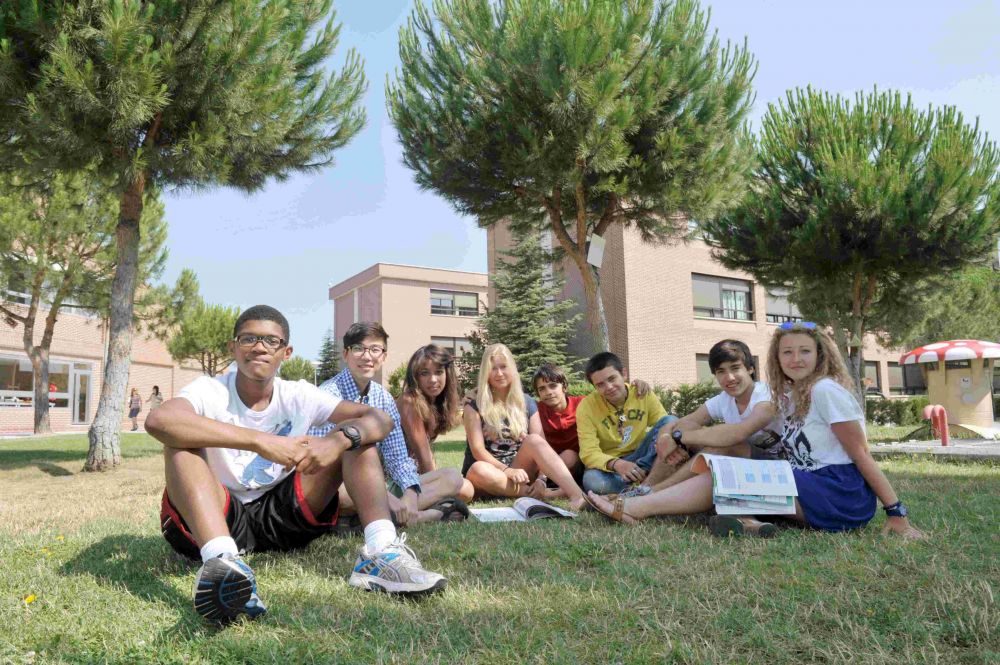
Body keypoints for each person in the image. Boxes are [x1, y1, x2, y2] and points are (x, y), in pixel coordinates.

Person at [145, 305, 446, 626]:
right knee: (179, 446)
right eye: (249, 339)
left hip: (284, 515)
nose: (259, 347)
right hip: (220, 514)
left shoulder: (299, 394)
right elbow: (160, 419)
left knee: (356, 435)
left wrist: (336, 441)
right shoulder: (210, 389)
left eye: (271, 341)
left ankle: (381, 553)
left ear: (286, 352)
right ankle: (223, 564)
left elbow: (380, 419)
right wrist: (260, 440)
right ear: (232, 348)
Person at [586, 322, 925, 541]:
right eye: (787, 353)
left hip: (840, 492)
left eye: (804, 351)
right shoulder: (792, 395)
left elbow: (861, 454)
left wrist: (897, 513)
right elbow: (693, 422)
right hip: (808, 484)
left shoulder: (825, 391)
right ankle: (738, 518)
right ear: (776, 360)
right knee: (724, 471)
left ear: (820, 354)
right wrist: (672, 431)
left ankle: (636, 508)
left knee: (724, 472)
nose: (795, 359)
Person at [309, 324, 467, 526]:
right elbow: (320, 468)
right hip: (338, 487)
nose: (367, 357)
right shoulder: (327, 395)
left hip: (379, 484)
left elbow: (399, 458)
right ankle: (415, 516)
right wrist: (384, 496)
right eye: (359, 348)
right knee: (343, 494)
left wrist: (410, 494)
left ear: (383, 357)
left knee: (452, 478)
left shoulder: (383, 398)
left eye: (375, 350)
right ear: (346, 354)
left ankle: (370, 518)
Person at [460, 343, 587, 511]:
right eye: (493, 368)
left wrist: (541, 479)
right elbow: (477, 450)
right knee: (478, 469)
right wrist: (506, 471)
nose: (499, 373)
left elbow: (540, 445)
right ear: (485, 372)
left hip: (521, 470)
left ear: (512, 368)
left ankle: (578, 496)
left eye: (503, 367)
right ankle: (538, 494)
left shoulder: (526, 401)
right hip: (490, 474)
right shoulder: (474, 404)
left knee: (533, 440)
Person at [647, 339, 782, 494]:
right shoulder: (724, 399)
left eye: (735, 368)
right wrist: (665, 437)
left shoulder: (766, 394)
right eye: (721, 371)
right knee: (685, 427)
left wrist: (679, 438)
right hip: (746, 463)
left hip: (781, 466)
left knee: (725, 445)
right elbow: (683, 422)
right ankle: (645, 486)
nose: (729, 377)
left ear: (750, 369)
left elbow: (738, 433)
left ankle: (656, 491)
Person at [575, 352, 677, 495]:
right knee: (593, 482)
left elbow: (664, 427)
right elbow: (588, 452)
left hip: (642, 456)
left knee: (671, 421)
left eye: (612, 378)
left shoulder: (642, 392)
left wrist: (646, 461)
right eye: (600, 385)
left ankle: (643, 477)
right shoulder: (586, 407)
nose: (609, 387)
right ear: (595, 388)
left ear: (623, 374)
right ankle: (647, 483)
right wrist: (618, 464)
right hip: (612, 466)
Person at [397, 344, 462, 474]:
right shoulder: (409, 401)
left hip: (413, 474)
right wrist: (435, 482)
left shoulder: (436, 405)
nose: (433, 380)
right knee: (457, 481)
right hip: (392, 478)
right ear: (415, 376)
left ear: (447, 374)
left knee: (463, 486)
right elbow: (423, 454)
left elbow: (427, 455)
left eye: (439, 372)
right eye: (424, 373)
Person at [532, 363, 586, 482]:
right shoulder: (535, 410)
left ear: (564, 387)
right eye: (542, 389)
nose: (548, 392)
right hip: (545, 465)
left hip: (578, 465)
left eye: (553, 386)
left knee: (569, 455)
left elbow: (606, 395)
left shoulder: (583, 404)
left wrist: (634, 385)